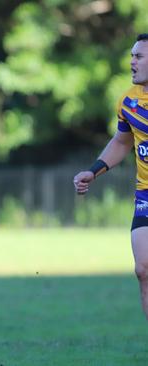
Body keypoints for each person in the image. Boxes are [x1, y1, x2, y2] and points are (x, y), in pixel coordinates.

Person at [74, 33, 148, 319]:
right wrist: (93, 172)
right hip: (145, 194)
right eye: (131, 55)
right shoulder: (129, 102)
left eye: (139, 56)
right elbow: (121, 142)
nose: (131, 61)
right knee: (143, 270)